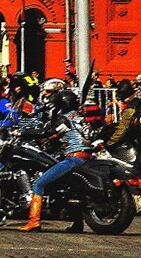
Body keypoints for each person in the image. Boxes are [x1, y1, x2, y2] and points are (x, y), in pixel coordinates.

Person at [19, 90, 94, 232]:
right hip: (87, 157)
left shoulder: (64, 118)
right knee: (71, 191)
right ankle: (77, 224)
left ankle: (33, 221)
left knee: (39, 183)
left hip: (74, 158)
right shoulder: (78, 117)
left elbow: (47, 132)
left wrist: (22, 132)